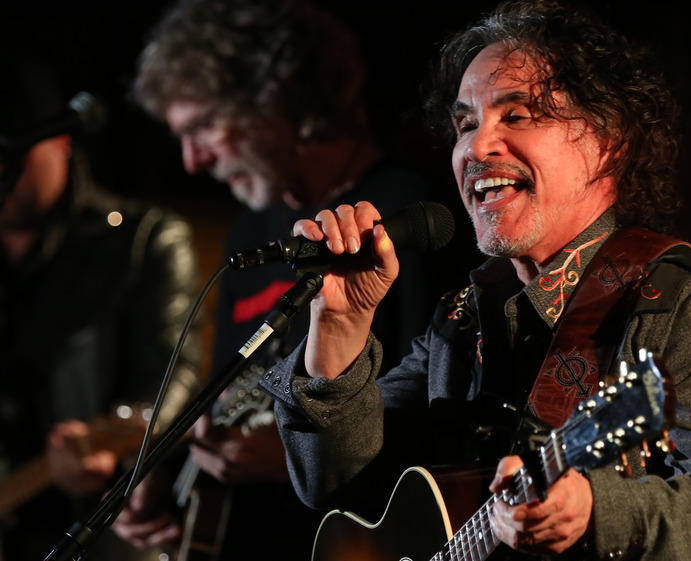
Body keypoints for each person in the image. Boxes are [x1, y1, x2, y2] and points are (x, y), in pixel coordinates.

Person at [262, 1, 691, 560]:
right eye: (465, 123)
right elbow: (338, 488)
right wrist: (341, 326)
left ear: (609, 140)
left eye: (515, 116)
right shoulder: (463, 319)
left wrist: (598, 510)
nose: (476, 146)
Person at [112, 0, 467, 559]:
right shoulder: (249, 234)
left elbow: (435, 411)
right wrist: (169, 475)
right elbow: (230, 393)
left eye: (204, 127)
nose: (192, 161)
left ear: (275, 98)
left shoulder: (412, 215)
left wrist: (297, 453)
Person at [0, 54, 200, 561]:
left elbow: (173, 385)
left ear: (62, 143)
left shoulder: (144, 241)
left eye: (13, 158)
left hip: (99, 531)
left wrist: (110, 446)